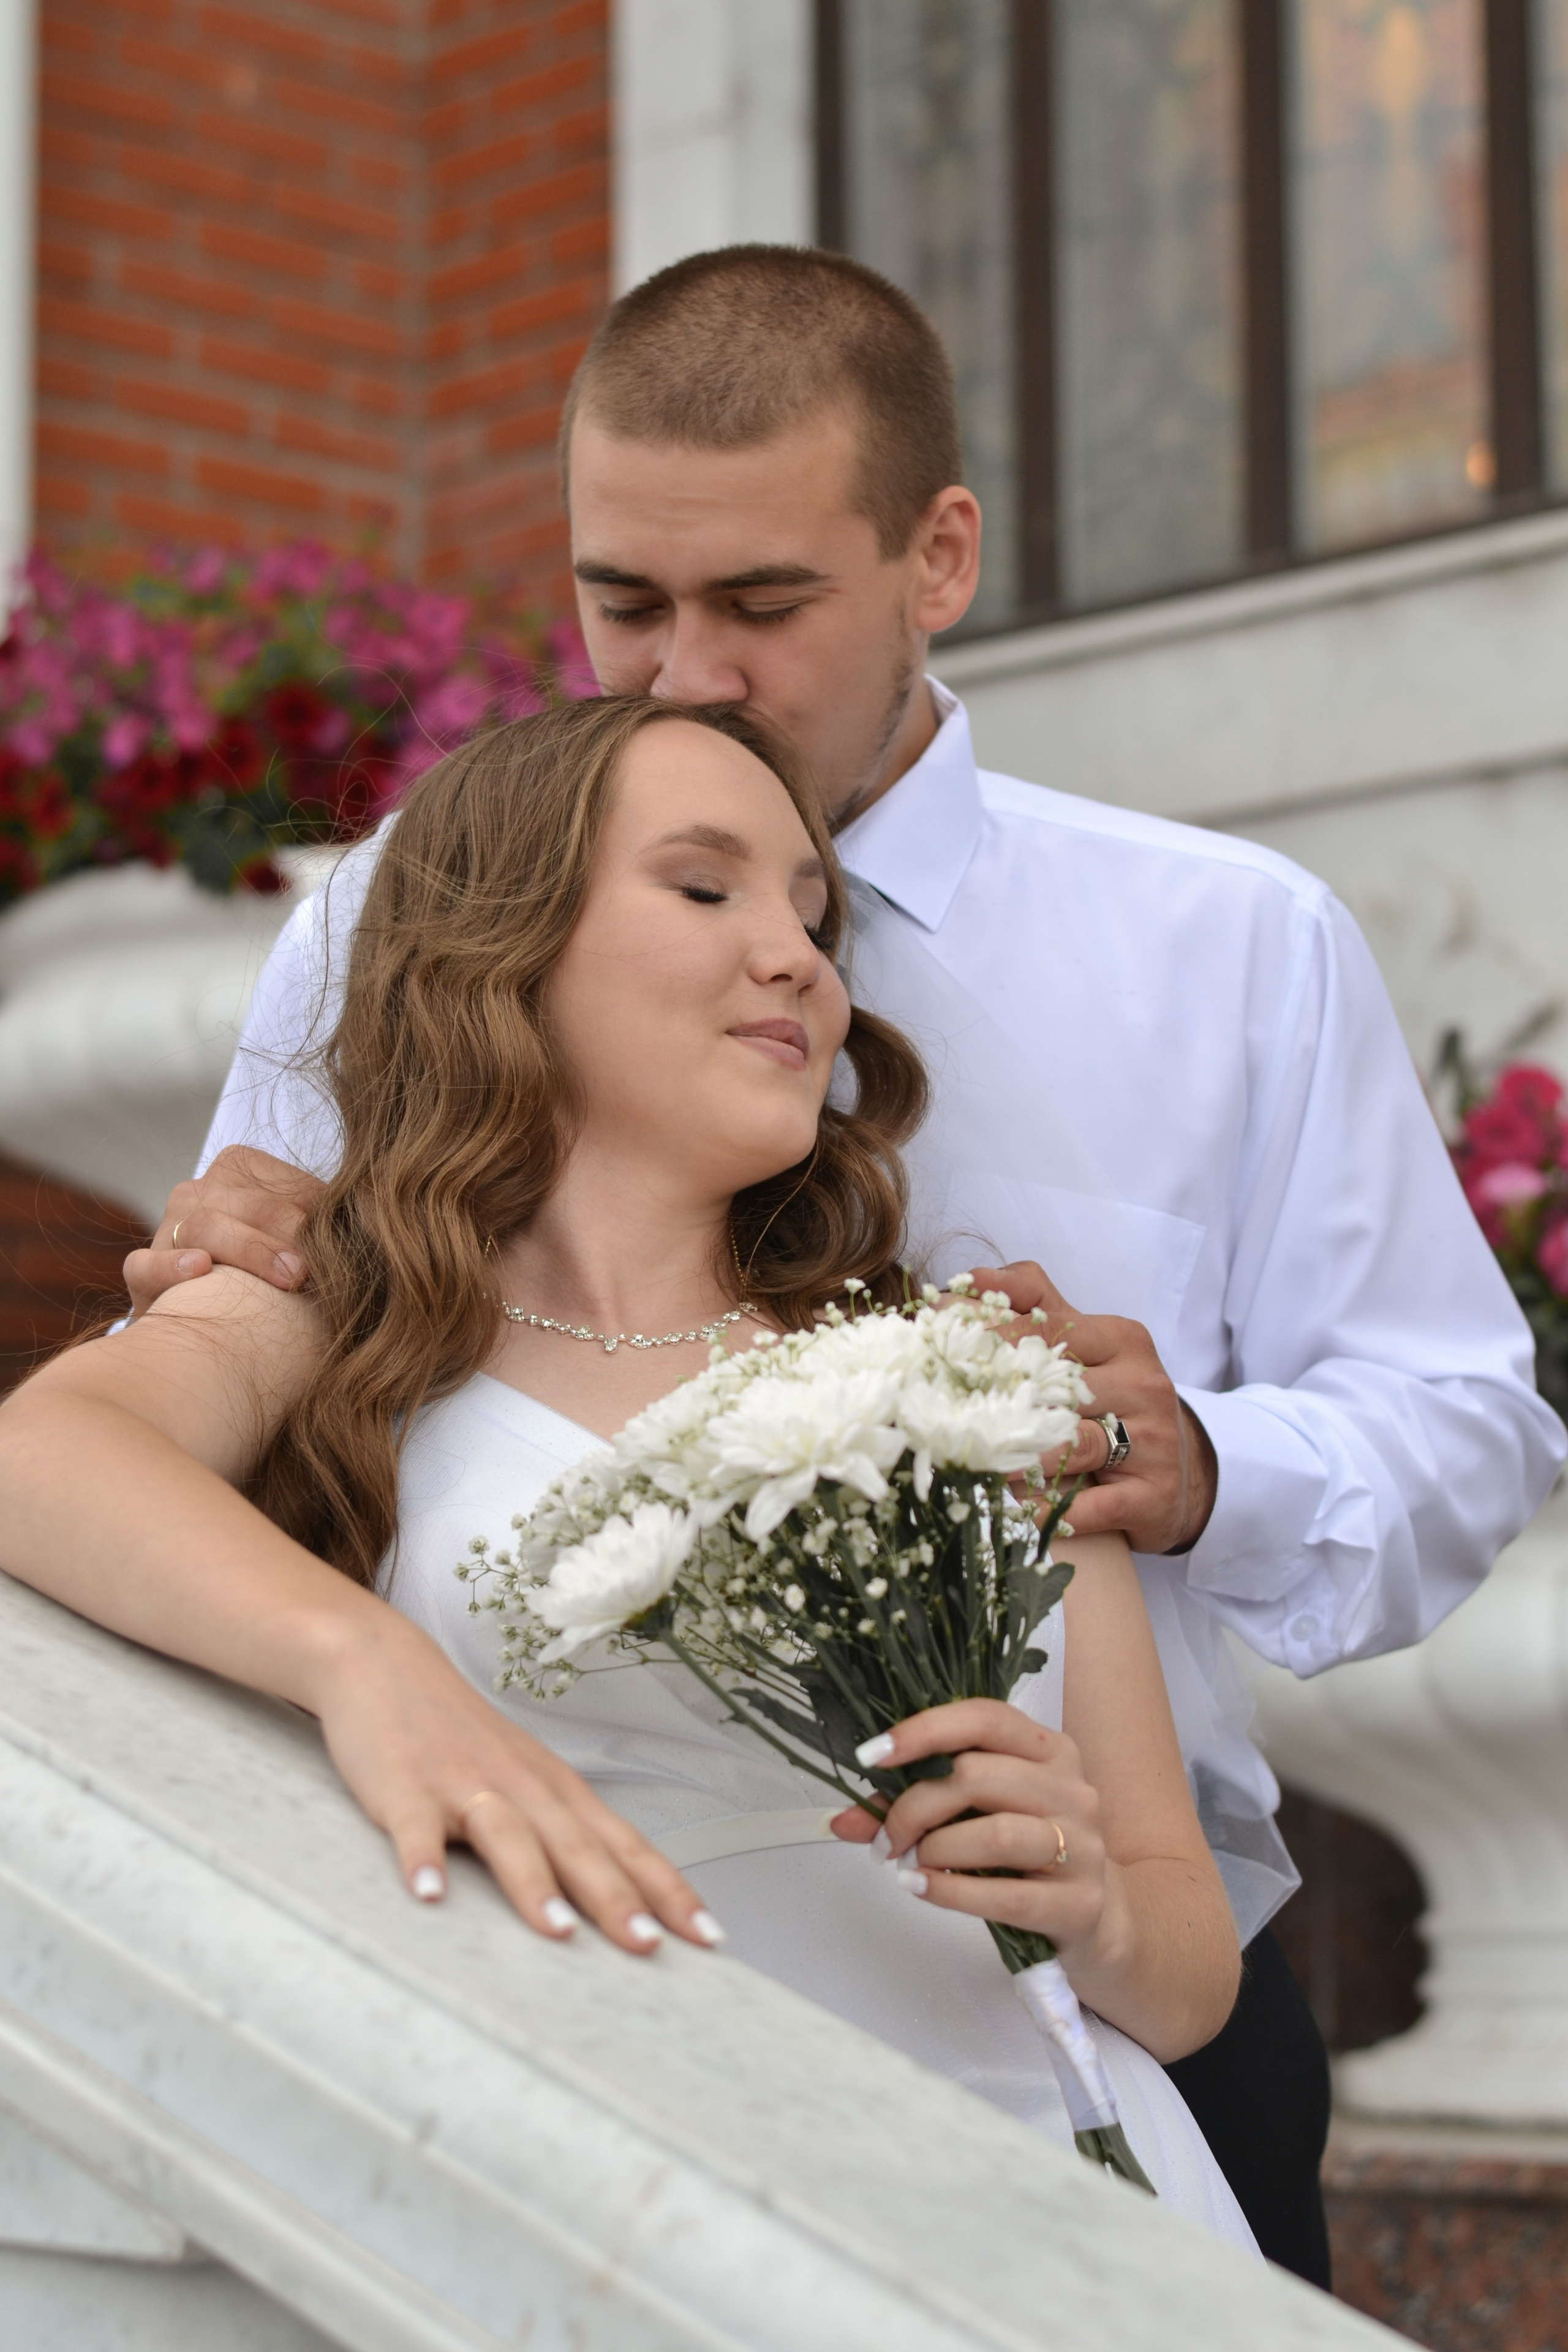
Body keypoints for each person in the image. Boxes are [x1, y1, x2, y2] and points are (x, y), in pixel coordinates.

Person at [123, 249, 1566, 2280]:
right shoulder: (404, 913)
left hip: (1125, 1983)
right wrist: (246, 1252)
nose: (684, 673)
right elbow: (272, 1367)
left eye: (763, 606)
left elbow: (1466, 1425)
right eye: (622, 600)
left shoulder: (1234, 945)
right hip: (571, 2036)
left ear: (937, 556)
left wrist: (1206, 1463)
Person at [0, 696, 1257, 2250]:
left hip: (1071, 2204)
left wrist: (1095, 1906)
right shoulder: (325, 1306)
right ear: (503, 945)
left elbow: (1190, 1966)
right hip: (643, 2210)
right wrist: (363, 1663)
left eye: (811, 910)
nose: (797, 954)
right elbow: (39, 1455)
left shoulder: (965, 1377)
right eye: (703, 885)